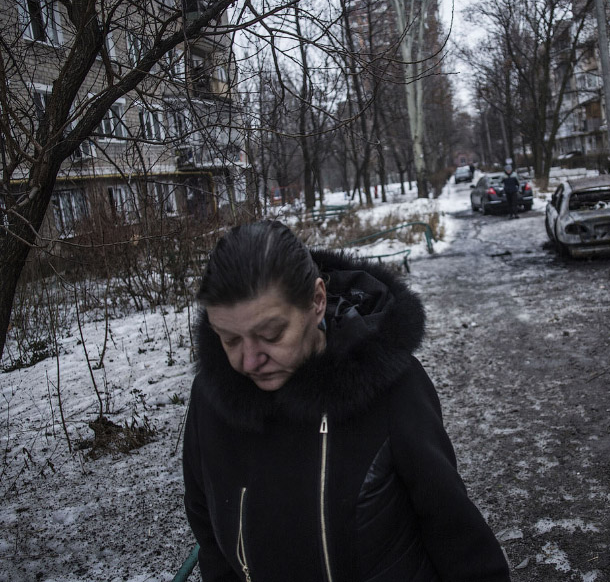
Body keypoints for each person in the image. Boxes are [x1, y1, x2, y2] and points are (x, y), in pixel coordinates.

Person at [183, 220, 511, 582]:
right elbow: (206, 524)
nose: (248, 360)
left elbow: (453, 529)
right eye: (229, 339)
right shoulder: (210, 397)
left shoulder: (390, 387)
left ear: (317, 301)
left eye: (271, 334)